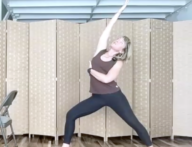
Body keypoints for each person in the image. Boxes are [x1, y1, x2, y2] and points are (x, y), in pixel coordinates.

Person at [62, 0, 153, 147]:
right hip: (97, 97)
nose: (117, 41)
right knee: (71, 115)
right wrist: (120, 10)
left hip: (114, 96)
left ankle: (151, 145)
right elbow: (108, 29)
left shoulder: (118, 62)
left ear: (122, 50)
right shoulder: (100, 50)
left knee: (134, 123)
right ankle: (65, 145)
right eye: (118, 39)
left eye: (120, 42)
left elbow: (106, 79)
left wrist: (90, 70)